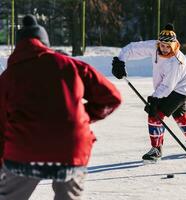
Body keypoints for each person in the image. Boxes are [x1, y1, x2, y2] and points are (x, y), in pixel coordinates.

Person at [0, 14, 122, 200]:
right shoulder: (72, 66)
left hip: (24, 151)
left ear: (18, 46)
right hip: (70, 151)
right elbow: (111, 97)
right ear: (45, 43)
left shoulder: (8, 77)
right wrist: (84, 117)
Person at [111, 23, 186, 163]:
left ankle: (156, 150)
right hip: (170, 87)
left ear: (174, 45)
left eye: (168, 46)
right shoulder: (155, 46)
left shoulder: (177, 61)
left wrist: (154, 100)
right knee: (180, 115)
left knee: (155, 115)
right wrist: (120, 60)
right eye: (162, 45)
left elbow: (167, 86)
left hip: (179, 89)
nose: (165, 48)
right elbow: (132, 48)